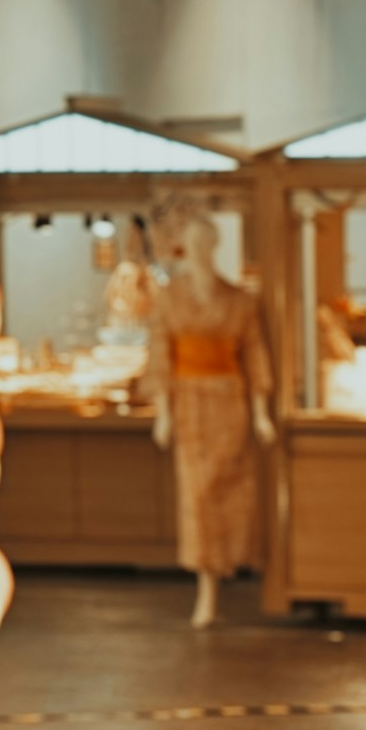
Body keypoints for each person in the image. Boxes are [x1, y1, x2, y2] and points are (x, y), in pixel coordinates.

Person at [141, 205, 274, 625]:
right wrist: (162, 411)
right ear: (185, 248)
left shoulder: (238, 300)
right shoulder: (169, 297)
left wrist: (261, 411)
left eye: (206, 243)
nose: (199, 251)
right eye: (193, 244)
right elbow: (161, 353)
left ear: (215, 246)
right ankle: (206, 590)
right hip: (189, 404)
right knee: (196, 496)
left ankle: (225, 570)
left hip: (229, 401)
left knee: (230, 489)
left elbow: (253, 353)